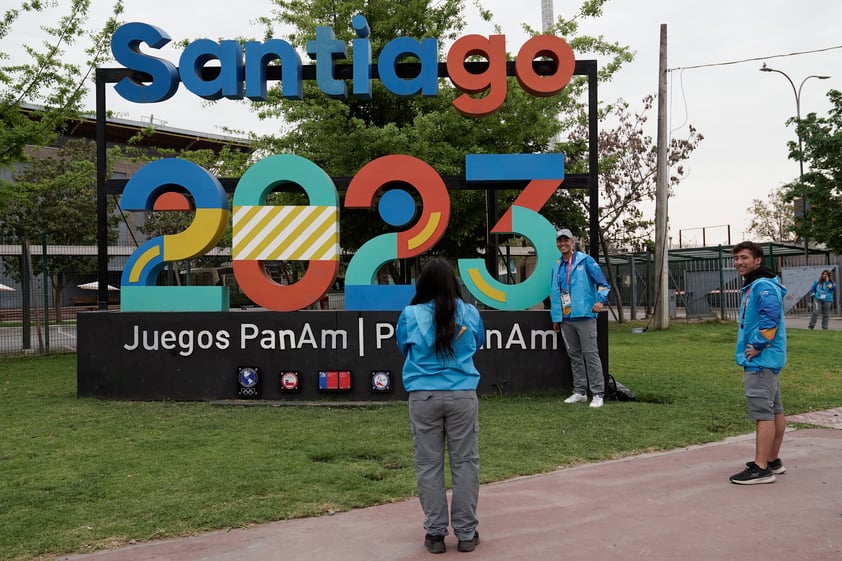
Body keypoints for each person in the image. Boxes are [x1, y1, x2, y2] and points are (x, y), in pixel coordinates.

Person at [396, 258, 485, 554]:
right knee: (465, 463)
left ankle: (435, 534)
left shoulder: (410, 315)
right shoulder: (470, 312)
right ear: (453, 283)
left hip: (424, 396)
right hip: (462, 395)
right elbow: (479, 342)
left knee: (428, 464)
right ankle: (466, 533)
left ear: (423, 284)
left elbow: (403, 346)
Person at [729, 241, 788, 485]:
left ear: (758, 260)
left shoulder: (762, 285)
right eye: (736, 258)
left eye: (744, 257)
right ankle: (772, 460)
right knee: (775, 410)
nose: (739, 262)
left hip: (761, 360)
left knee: (763, 414)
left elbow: (770, 318)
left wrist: (758, 344)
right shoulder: (760, 283)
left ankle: (761, 468)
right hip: (769, 360)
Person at [549, 229, 611, 408]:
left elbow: (604, 285)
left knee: (590, 355)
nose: (563, 244)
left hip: (585, 315)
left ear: (572, 241)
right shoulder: (557, 265)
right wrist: (556, 317)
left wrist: (600, 301)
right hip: (566, 318)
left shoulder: (586, 260)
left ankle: (598, 394)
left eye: (566, 240)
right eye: (559, 241)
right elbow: (555, 292)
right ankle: (580, 392)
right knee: (574, 356)